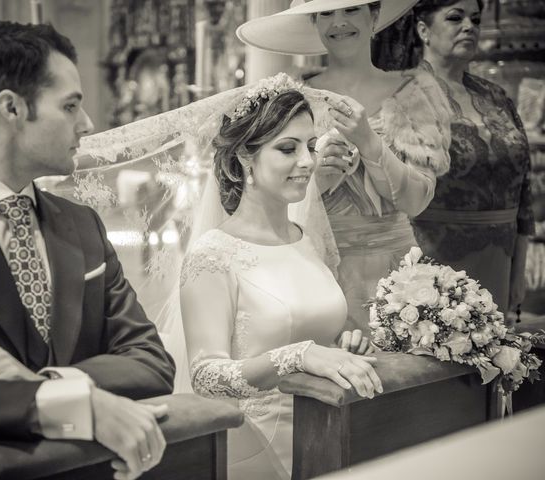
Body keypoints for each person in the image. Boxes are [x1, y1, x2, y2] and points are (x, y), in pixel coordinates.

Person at [0, 21, 175, 480]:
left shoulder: (81, 224)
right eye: (70, 106)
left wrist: (53, 385)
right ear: (11, 107)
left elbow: (151, 361)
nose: (87, 124)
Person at [180, 77, 383, 479]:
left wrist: (342, 344)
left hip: (328, 434)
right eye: (287, 149)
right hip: (259, 451)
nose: (307, 161)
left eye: (310, 146)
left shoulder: (306, 240)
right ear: (244, 156)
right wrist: (297, 355)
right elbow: (206, 376)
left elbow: (312, 330)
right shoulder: (212, 254)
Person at [236, 0, 452, 333]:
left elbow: (416, 201)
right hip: (308, 265)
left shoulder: (413, 93)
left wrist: (370, 142)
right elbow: (258, 194)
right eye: (326, 12)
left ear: (375, 15)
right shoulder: (291, 98)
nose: (339, 22)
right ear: (314, 21)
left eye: (351, 9)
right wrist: (315, 181)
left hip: (392, 274)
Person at [409, 0, 535, 317]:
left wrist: (519, 268)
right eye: (455, 17)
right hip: (434, 264)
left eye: (475, 20)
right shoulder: (403, 95)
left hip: (501, 259)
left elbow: (524, 189)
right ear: (423, 29)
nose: (469, 26)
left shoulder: (496, 96)